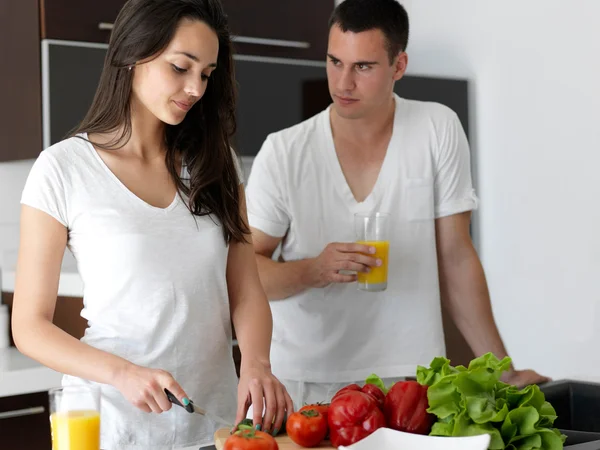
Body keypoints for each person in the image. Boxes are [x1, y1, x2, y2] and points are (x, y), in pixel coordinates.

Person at [11, 0, 292, 448]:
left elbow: (246, 290)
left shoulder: (217, 166)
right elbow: (29, 326)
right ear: (132, 54)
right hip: (113, 426)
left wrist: (257, 363)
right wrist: (122, 373)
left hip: (211, 424)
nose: (195, 87)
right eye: (181, 67)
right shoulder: (63, 169)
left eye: (207, 73)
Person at [245, 0, 549, 407]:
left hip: (411, 380)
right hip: (306, 383)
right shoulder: (283, 151)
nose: (343, 83)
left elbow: (456, 258)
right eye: (335, 61)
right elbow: (247, 275)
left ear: (399, 66)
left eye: (363, 67)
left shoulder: (436, 129)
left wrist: (502, 369)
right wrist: (314, 270)